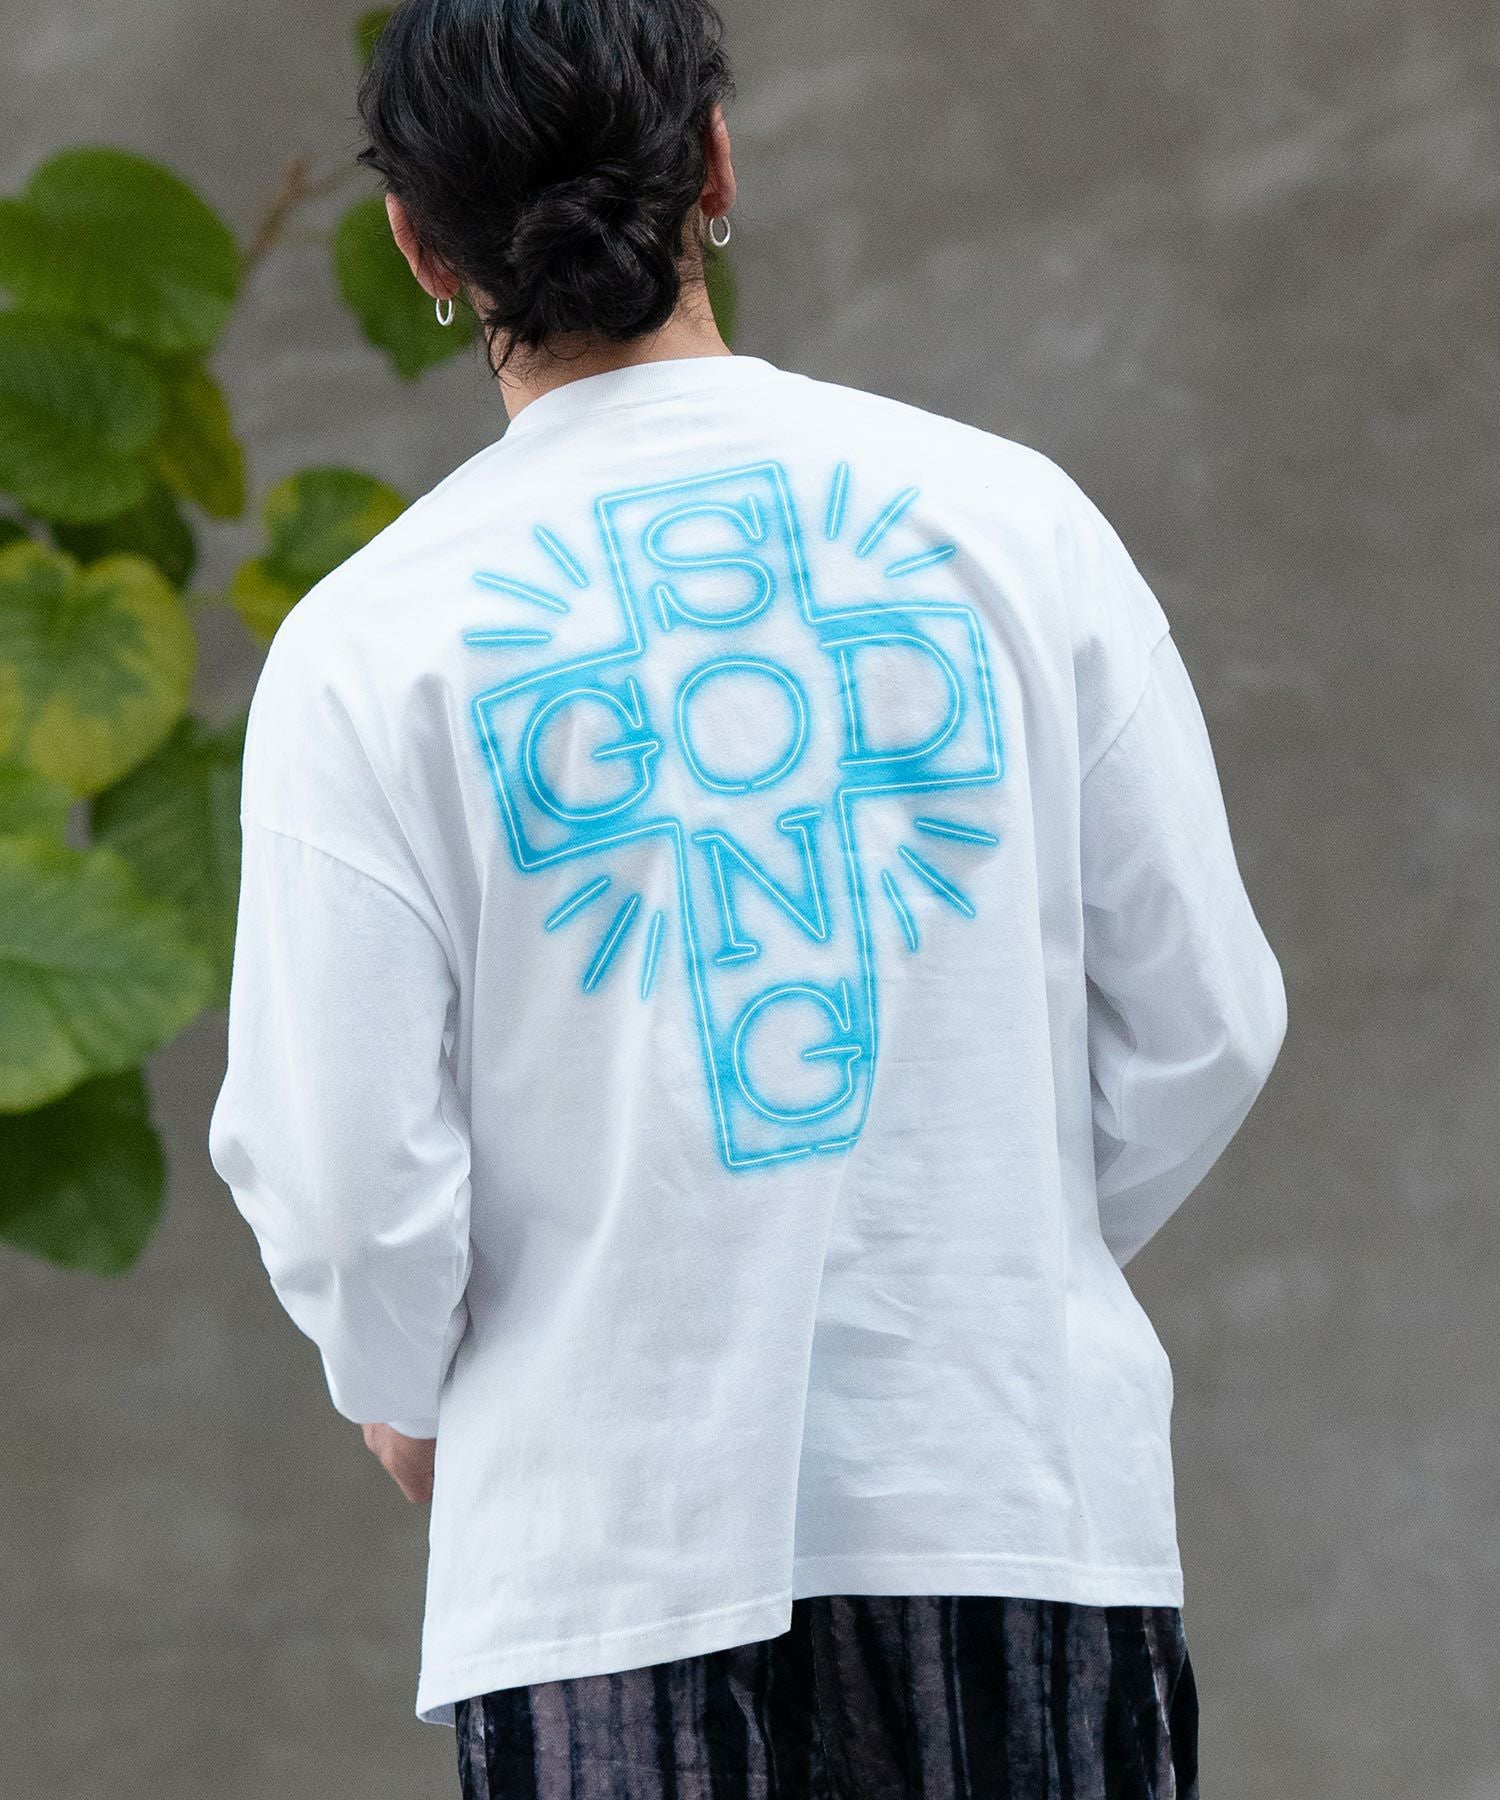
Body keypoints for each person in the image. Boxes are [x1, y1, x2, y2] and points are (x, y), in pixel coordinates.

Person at [207, 0, 1288, 1793]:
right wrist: (968, 1247)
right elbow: (1207, 1023)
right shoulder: (1014, 526)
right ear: (714, 161)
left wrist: (409, 1387)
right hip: (1019, 1511)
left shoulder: (368, 644)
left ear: (421, 246)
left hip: (603, 1569)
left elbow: (345, 1180)